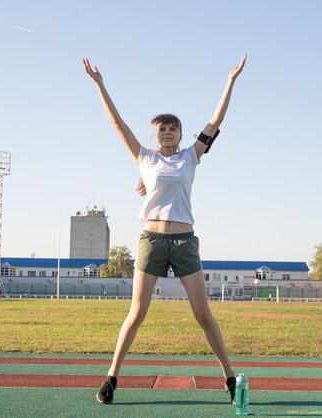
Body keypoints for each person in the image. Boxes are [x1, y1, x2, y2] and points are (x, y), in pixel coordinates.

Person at [83, 54, 247, 405]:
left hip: (185, 242)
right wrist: (100, 84)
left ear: (181, 134)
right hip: (152, 242)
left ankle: (230, 378)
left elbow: (216, 120)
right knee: (137, 313)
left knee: (203, 314)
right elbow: (117, 123)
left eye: (173, 128)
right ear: (156, 134)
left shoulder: (191, 156)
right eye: (162, 128)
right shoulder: (146, 157)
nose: (168, 132)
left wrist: (231, 79)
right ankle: (111, 377)